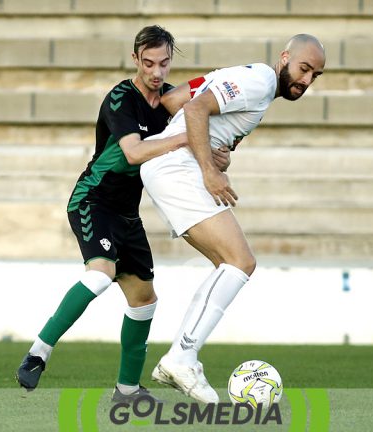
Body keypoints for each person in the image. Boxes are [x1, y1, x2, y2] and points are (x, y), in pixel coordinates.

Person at [15, 25, 229, 402]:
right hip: (93, 200)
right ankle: (37, 353)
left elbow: (197, 135)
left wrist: (214, 153)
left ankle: (127, 389)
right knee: (100, 276)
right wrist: (192, 139)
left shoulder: (170, 100)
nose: (157, 72)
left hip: (128, 213)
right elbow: (133, 152)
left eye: (164, 63)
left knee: (145, 300)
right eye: (148, 63)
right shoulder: (120, 98)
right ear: (135, 60)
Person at [140, 34, 326, 403]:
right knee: (240, 261)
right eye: (304, 68)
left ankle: (182, 356)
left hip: (169, 167)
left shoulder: (249, 81)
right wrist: (209, 169)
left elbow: (175, 101)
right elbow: (193, 112)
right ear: (285, 57)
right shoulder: (260, 79)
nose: (305, 81)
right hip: (177, 169)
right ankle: (181, 356)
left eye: (315, 76)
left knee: (229, 265)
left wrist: (209, 151)